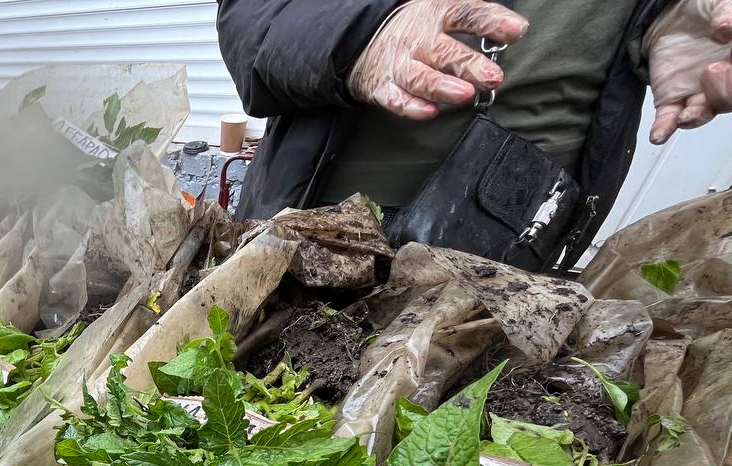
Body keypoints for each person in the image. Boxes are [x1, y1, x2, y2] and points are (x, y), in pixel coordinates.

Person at [217, 0, 732, 268]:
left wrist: (664, 21)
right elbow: (251, 17)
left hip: (514, 248)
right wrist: (358, 40)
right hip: (317, 225)